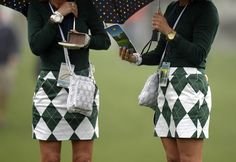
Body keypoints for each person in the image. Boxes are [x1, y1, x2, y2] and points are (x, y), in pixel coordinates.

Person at [119, 0, 219, 162]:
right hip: (165, 87)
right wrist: (136, 58)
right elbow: (161, 53)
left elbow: (198, 54)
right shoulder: (172, 7)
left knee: (188, 158)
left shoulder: (207, 10)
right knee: (173, 158)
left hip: (189, 89)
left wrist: (168, 31)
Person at [27, 0, 110, 162]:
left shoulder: (85, 5)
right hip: (49, 89)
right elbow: (36, 46)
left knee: (83, 158)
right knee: (50, 158)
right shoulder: (37, 6)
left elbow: (104, 41)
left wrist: (85, 40)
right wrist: (58, 16)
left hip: (82, 86)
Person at [0, 11, 20, 128]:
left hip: (4, 65)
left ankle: (1, 115)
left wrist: (14, 59)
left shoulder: (8, 29)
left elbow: (14, 47)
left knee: (4, 92)